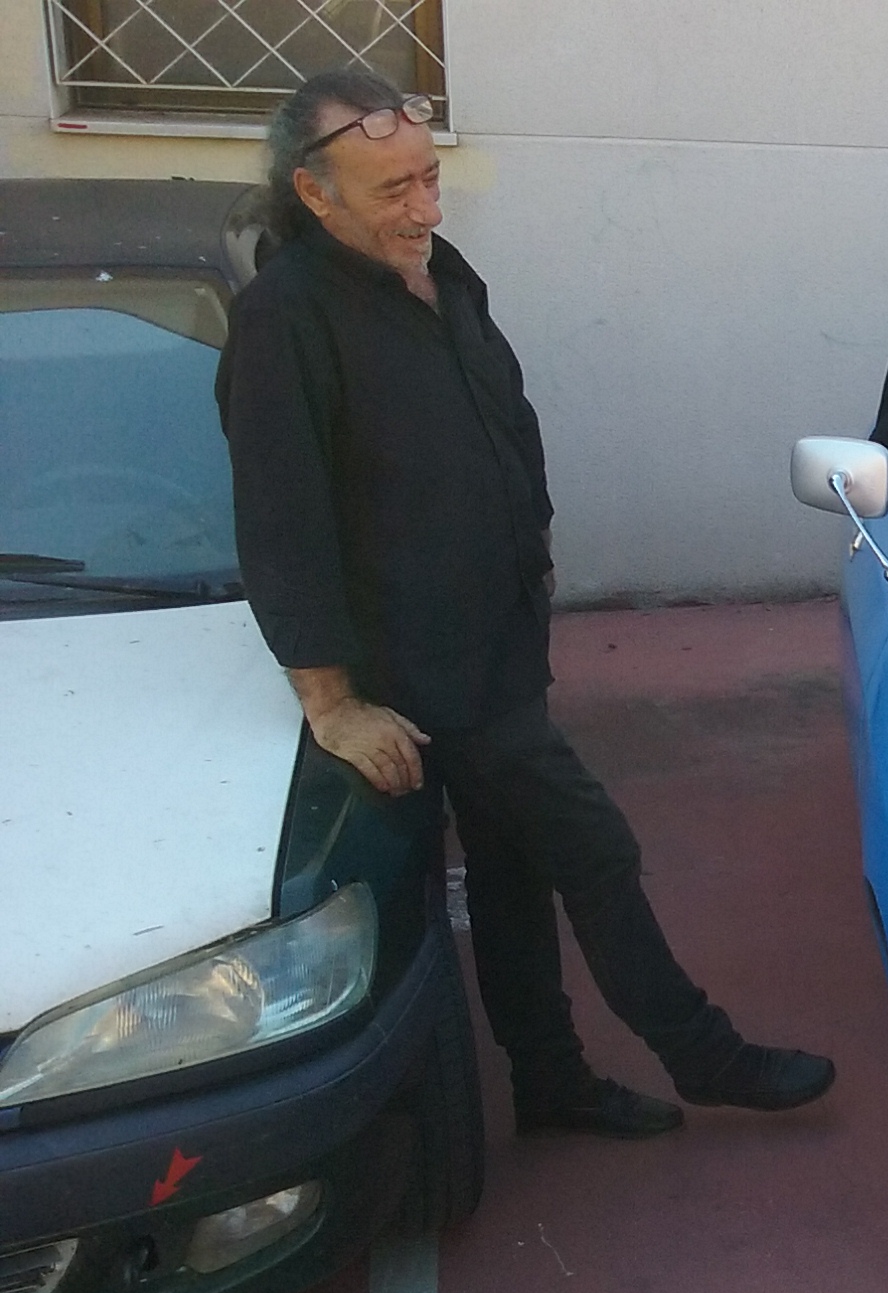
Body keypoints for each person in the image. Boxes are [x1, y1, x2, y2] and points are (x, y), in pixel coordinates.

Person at [218, 66, 834, 1139]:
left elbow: (492, 422)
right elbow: (282, 525)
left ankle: (550, 1084)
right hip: (428, 671)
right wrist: (332, 704)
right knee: (591, 847)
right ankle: (703, 1055)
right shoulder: (286, 319)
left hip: (501, 639)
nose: (424, 208)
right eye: (394, 191)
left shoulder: (436, 273)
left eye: (429, 179)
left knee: (511, 870)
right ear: (314, 194)